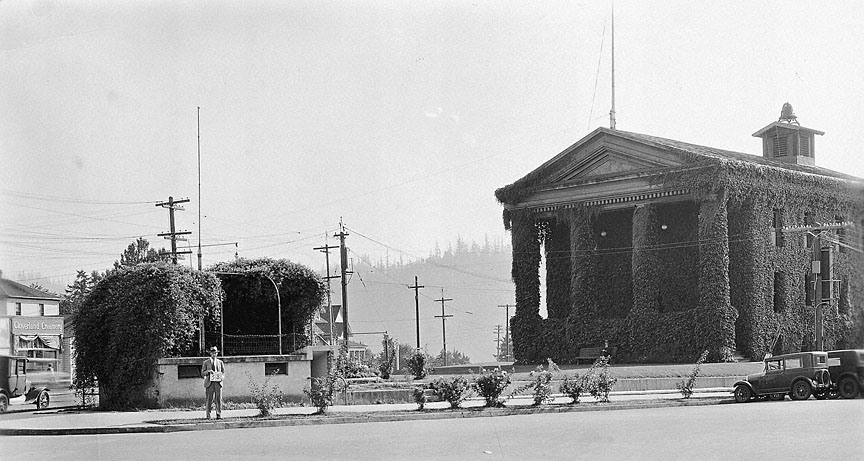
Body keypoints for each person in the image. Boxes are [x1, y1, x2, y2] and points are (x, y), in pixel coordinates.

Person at [201, 346, 225, 419]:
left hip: (218, 383)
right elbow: (202, 373)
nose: (214, 354)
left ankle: (218, 414)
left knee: (218, 399)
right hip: (209, 383)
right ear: (210, 354)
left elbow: (223, 372)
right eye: (212, 353)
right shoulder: (206, 362)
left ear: (217, 354)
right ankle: (208, 415)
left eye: (215, 353)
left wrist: (222, 377)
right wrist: (208, 371)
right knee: (209, 400)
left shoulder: (220, 362)